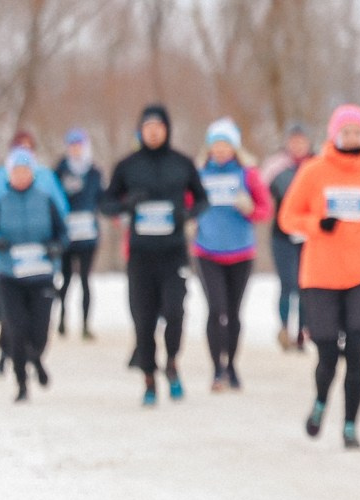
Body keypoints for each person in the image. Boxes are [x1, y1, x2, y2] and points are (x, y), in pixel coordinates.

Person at [277, 104, 360, 449]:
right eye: (345, 131)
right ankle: (321, 402)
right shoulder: (313, 172)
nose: (351, 138)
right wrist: (316, 225)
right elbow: (288, 218)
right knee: (327, 355)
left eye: (357, 132)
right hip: (320, 275)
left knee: (355, 351)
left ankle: (350, 426)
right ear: (334, 134)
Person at [99, 104, 203, 406]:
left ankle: (171, 363)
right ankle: (148, 378)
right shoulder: (127, 166)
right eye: (148, 127)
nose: (154, 131)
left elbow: (203, 200)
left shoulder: (182, 163)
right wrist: (125, 205)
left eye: (159, 126)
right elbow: (106, 203)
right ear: (140, 130)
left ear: (167, 129)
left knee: (175, 312)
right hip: (141, 255)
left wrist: (188, 214)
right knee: (143, 320)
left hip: (173, 253)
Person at [0, 147, 70, 401]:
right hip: (10, 276)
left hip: (41, 275)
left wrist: (56, 247)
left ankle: (36, 358)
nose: (21, 175)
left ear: (33, 173)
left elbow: (64, 234)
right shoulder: (0, 203)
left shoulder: (45, 200)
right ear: (9, 174)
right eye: (16, 171)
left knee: (39, 331)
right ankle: (21, 382)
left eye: (25, 170)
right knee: (16, 329)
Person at [193, 118, 270, 392]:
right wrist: (191, 220)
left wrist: (250, 208)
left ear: (235, 148)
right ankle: (217, 370)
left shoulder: (248, 174)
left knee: (234, 313)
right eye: (216, 145)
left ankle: (232, 366)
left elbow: (265, 210)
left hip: (241, 253)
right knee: (216, 310)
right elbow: (188, 205)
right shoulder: (200, 173)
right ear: (209, 148)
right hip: (207, 251)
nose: (221, 150)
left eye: (226, 145)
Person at [265, 124, 313, 350]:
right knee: (288, 283)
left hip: (310, 235)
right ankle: (284, 327)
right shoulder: (276, 168)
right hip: (282, 235)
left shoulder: (316, 166)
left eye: (301, 140)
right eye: (293, 141)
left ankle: (303, 330)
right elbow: (262, 196)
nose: (297, 145)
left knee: (305, 283)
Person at [55, 128, 104, 340]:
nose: (75, 150)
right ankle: (62, 321)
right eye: (72, 146)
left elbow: (102, 199)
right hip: (67, 235)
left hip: (88, 235)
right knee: (65, 280)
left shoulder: (94, 173)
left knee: (85, 280)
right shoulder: (59, 171)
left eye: (79, 145)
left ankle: (85, 324)